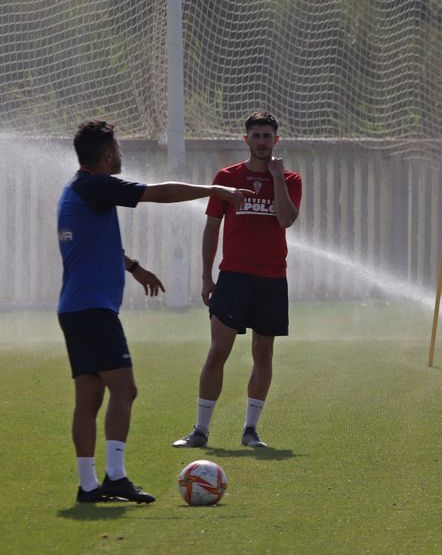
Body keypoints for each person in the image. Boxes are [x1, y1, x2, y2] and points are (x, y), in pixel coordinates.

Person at [59, 120, 248, 503]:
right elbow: (156, 193)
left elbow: (91, 243)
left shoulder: (79, 189)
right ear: (108, 154)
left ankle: (88, 485)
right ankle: (114, 477)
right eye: (118, 148)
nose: (121, 154)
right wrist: (215, 190)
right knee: (124, 389)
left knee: (90, 396)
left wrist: (132, 267)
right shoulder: (96, 185)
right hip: (93, 311)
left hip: (76, 309)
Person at [173, 111, 302, 450]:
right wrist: (206, 276)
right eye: (256, 136)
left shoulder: (290, 180)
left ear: (277, 140)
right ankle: (200, 430)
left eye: (267, 136)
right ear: (246, 140)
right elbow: (212, 227)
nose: (261, 142)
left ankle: (251, 431)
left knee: (263, 352)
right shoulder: (227, 178)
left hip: (272, 279)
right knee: (219, 351)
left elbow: (286, 220)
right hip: (233, 277)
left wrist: (275, 178)